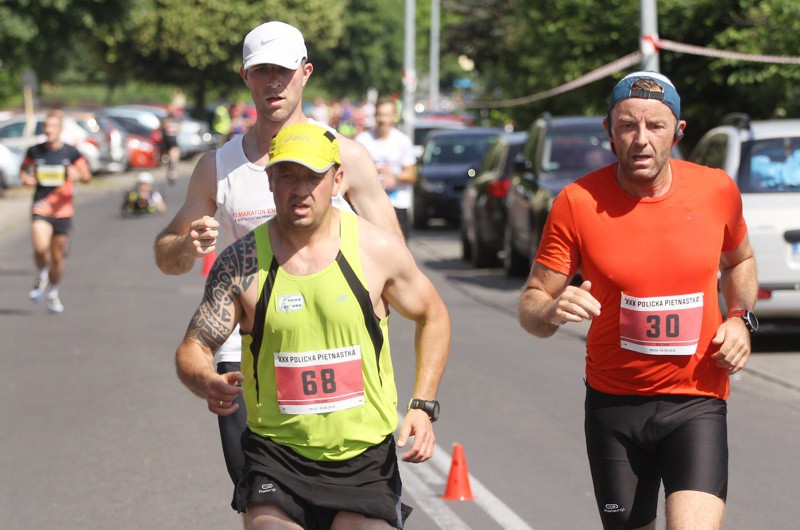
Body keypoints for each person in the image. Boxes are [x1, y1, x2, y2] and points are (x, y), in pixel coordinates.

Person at [153, 20, 402, 516]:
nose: (273, 83)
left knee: (343, 508)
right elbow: (166, 254)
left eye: (283, 71)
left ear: (305, 73)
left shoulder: (345, 156)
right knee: (265, 506)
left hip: (335, 349)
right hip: (244, 357)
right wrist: (189, 244)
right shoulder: (218, 167)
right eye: (261, 71)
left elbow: (396, 254)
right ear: (245, 77)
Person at [175, 123, 450, 529]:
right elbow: (193, 347)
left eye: (313, 176)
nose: (300, 188)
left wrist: (423, 406)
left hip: (364, 459)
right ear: (270, 180)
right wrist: (204, 380)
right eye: (287, 174)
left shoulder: (376, 250)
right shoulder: (241, 264)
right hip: (276, 455)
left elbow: (434, 314)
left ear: (337, 181)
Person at [517, 71, 758, 530]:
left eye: (656, 126)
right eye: (628, 126)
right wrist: (550, 310)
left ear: (678, 132)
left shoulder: (715, 190)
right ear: (609, 133)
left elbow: (740, 260)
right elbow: (531, 303)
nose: (641, 140)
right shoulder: (577, 202)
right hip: (614, 406)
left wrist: (740, 318)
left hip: (696, 400)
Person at [20, 109, 92, 314]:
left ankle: (53, 292)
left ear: (60, 129)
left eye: (52, 126)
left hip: (63, 211)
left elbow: (87, 176)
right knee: (41, 249)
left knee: (57, 257)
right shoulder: (35, 151)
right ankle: (42, 274)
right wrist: (26, 179)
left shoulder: (70, 152)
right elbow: (23, 170)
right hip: (41, 207)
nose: (48, 130)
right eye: (46, 126)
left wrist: (78, 175)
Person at [355, 98, 417, 238]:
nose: (382, 119)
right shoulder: (362, 140)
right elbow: (352, 173)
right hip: (368, 204)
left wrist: (393, 177)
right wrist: (374, 172)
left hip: (397, 204)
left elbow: (412, 175)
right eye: (380, 114)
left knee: (400, 251)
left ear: (394, 116)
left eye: (387, 115)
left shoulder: (402, 141)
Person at [160, 111, 181, 184]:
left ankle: (172, 172)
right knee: (172, 159)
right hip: (169, 142)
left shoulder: (171, 124)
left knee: (173, 158)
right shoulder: (167, 123)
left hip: (171, 143)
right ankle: (172, 172)